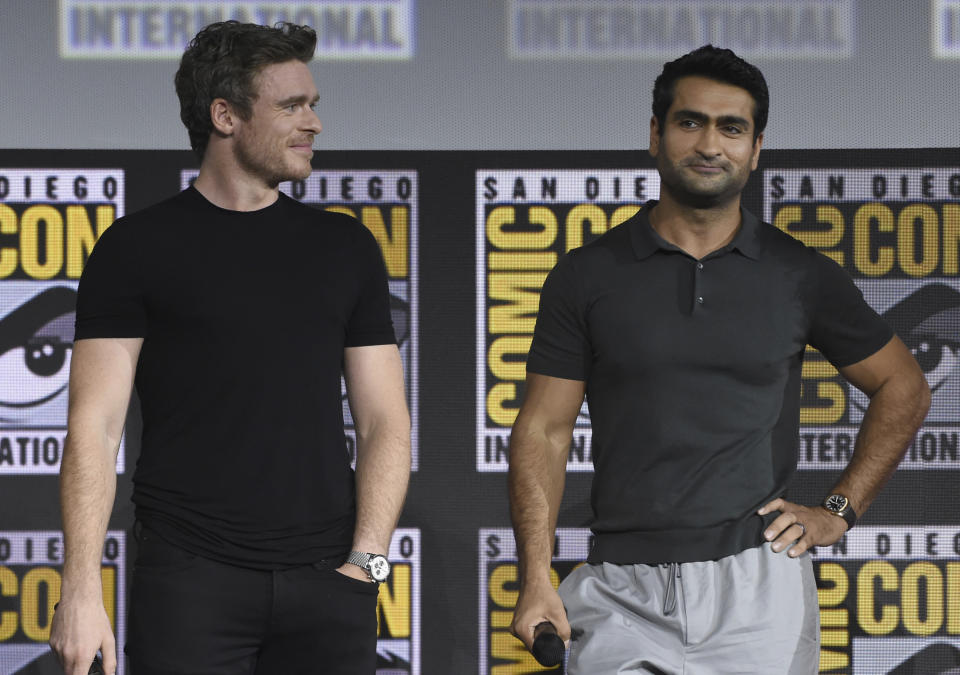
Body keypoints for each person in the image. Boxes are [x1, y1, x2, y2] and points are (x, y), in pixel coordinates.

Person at [508, 45, 930, 674]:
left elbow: (904, 386)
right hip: (622, 588)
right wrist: (535, 575)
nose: (710, 144)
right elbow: (544, 429)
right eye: (690, 122)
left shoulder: (798, 274)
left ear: (756, 148)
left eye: (732, 128)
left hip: (757, 590)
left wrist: (838, 511)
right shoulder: (587, 275)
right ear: (655, 134)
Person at [49, 21, 411, 675]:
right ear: (225, 115)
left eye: (314, 105)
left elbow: (386, 421)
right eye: (292, 106)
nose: (314, 124)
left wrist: (368, 562)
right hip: (188, 581)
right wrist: (79, 587)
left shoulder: (346, 248)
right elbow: (94, 428)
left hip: (330, 583)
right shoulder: (134, 249)